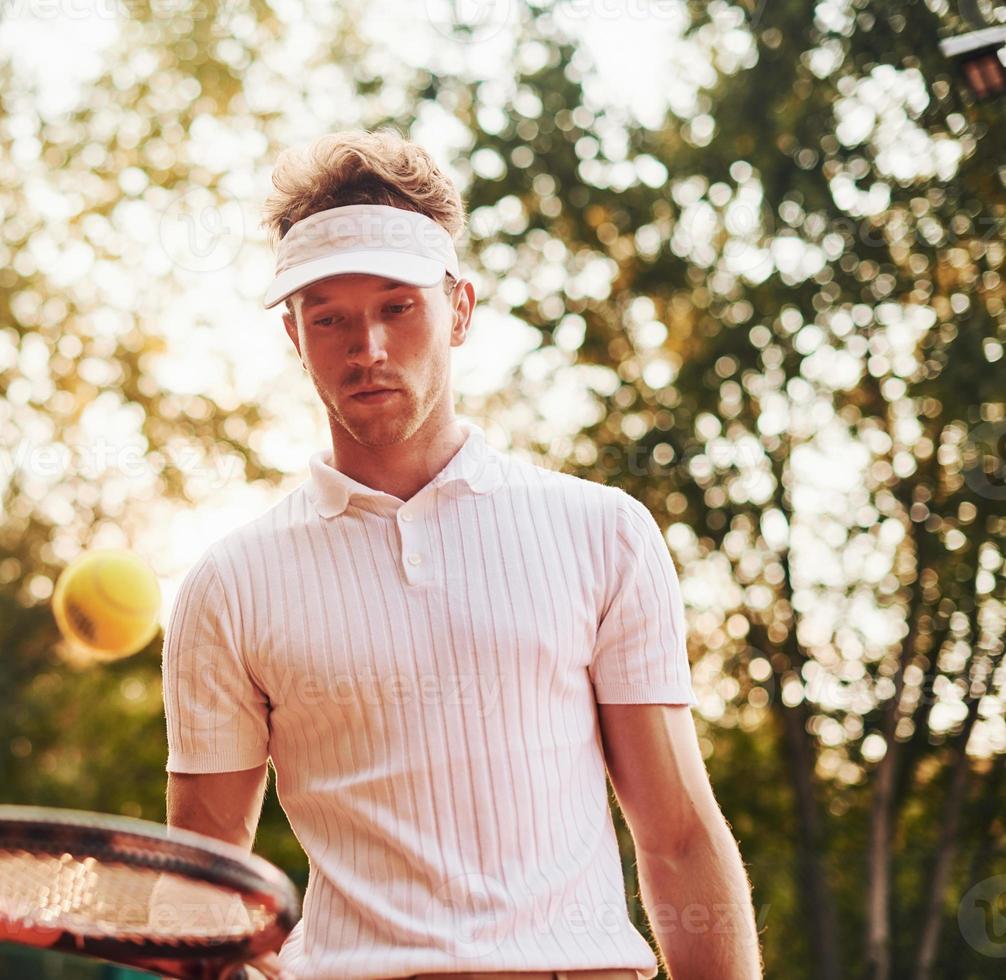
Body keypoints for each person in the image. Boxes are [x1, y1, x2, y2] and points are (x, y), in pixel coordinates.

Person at [160, 129, 763, 980]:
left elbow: (678, 835)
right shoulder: (227, 585)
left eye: (396, 307)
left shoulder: (605, 532)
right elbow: (203, 881)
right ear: (294, 338)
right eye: (327, 317)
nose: (364, 347)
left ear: (461, 310)